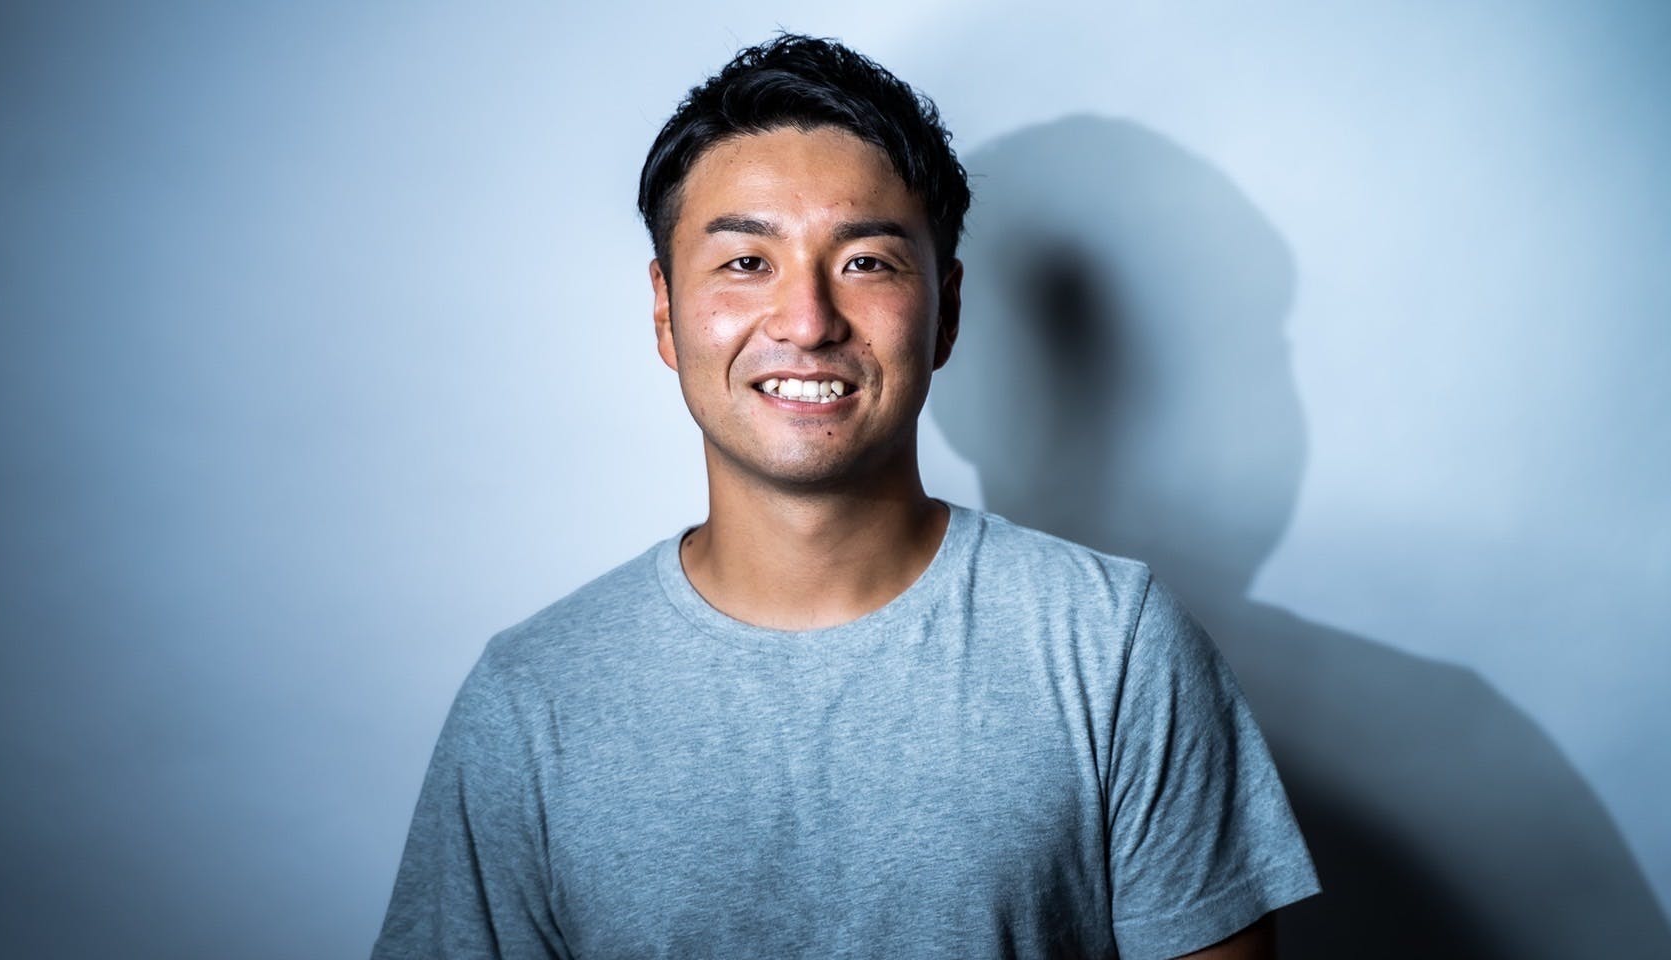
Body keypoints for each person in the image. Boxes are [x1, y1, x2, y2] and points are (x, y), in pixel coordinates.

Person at [371, 34, 1319, 960]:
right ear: (664, 310)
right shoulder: (533, 696)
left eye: (866, 262)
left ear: (945, 310)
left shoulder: (1113, 647)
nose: (808, 321)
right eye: (747, 262)